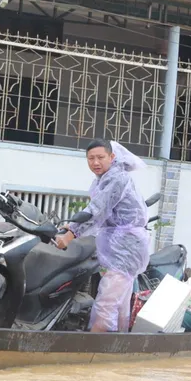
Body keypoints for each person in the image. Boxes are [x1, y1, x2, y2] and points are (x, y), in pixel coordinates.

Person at [55, 139, 150, 333]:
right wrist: (71, 225)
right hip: (119, 245)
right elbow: (99, 213)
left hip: (125, 247)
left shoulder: (117, 178)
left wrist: (71, 234)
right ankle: (119, 346)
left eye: (100, 157)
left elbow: (97, 209)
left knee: (107, 300)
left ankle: (93, 348)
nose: (95, 162)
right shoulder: (103, 178)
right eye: (90, 158)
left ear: (112, 157)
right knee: (120, 301)